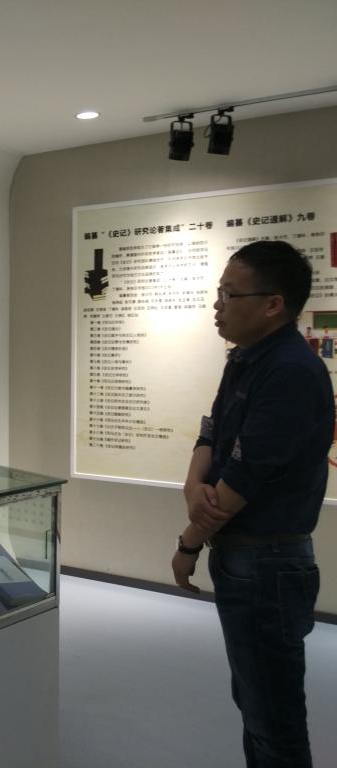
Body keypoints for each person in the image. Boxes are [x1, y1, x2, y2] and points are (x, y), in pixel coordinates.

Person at [171, 240, 333, 768]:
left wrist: (188, 542)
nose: (217, 305)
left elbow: (237, 486)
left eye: (229, 294)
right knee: (256, 705)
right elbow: (212, 430)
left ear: (273, 304)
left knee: (274, 721)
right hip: (247, 559)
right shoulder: (245, 359)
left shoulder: (290, 372)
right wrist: (193, 486)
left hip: (267, 564)